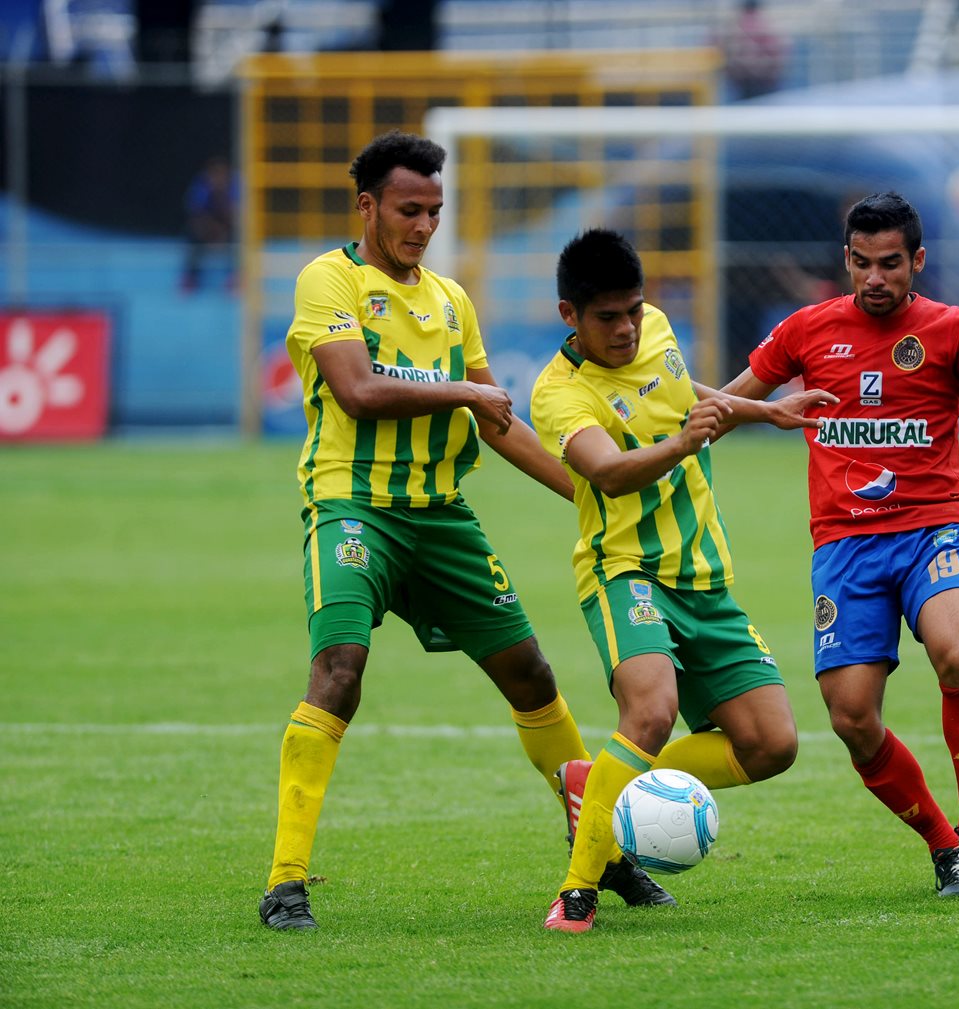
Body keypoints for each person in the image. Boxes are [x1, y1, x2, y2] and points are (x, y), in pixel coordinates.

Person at [258, 133, 667, 931]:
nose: (423, 225)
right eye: (409, 209)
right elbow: (357, 390)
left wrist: (586, 492)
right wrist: (462, 393)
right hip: (354, 509)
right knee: (339, 669)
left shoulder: (451, 300)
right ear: (368, 204)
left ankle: (603, 852)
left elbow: (499, 421)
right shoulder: (329, 279)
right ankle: (285, 881)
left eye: (435, 211)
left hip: (441, 517)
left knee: (532, 675)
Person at [721, 192, 959, 898]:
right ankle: (945, 846)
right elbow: (727, 404)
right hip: (846, 547)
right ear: (845, 259)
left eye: (889, 264)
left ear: (917, 260)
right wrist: (685, 406)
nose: (874, 278)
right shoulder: (807, 330)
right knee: (852, 717)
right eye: (860, 263)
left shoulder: (953, 329)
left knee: (957, 650)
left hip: (931, 529)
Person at [530, 228, 837, 932]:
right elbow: (606, 470)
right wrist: (686, 440)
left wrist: (764, 409)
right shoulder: (559, 393)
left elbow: (678, 393)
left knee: (771, 744)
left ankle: (600, 780)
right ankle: (579, 889)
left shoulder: (657, 332)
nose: (626, 328)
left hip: (702, 577)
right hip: (624, 572)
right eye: (607, 317)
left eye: (634, 310)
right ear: (569, 316)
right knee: (650, 710)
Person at [181, 156, 237, 292]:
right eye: (215, 174)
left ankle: (234, 277)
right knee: (192, 233)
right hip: (207, 231)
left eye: (221, 174)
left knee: (239, 237)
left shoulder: (234, 187)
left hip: (226, 231)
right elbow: (196, 214)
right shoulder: (202, 187)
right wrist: (212, 231)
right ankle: (190, 278)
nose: (218, 178)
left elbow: (237, 215)